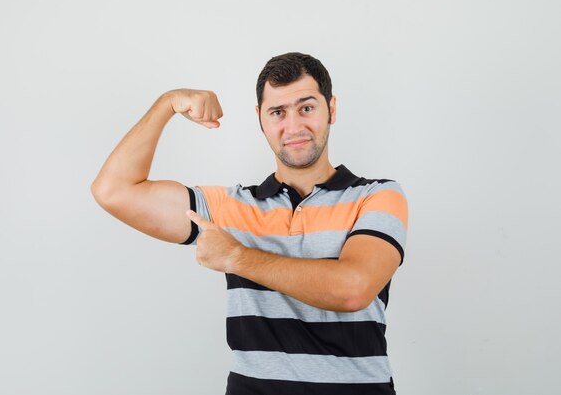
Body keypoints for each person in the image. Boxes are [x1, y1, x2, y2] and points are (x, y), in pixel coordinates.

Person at [91, 52, 408, 395]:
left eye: (307, 107)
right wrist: (166, 104)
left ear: (331, 108)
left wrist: (236, 257)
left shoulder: (377, 196)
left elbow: (353, 289)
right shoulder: (232, 206)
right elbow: (113, 190)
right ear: (260, 118)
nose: (294, 127)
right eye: (278, 112)